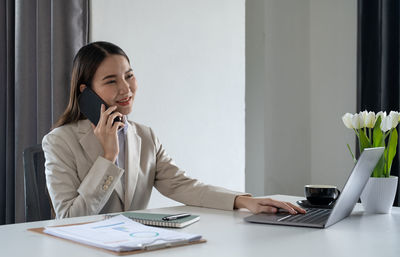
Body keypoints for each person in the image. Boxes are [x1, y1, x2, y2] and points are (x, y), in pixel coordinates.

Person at [42, 41, 305, 219]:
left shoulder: (144, 136)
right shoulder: (59, 142)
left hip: (133, 252)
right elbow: (68, 218)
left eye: (129, 75)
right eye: (111, 81)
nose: (126, 89)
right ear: (86, 93)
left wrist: (243, 201)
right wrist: (108, 157)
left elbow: (184, 186)